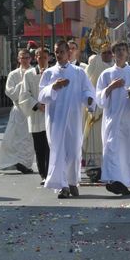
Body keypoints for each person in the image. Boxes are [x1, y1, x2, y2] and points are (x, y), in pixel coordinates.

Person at [38, 40, 95, 199]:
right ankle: (63, 186)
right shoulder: (49, 73)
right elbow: (41, 95)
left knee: (74, 152)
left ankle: (72, 181)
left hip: (73, 118)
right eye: (56, 52)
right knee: (59, 152)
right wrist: (54, 87)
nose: (58, 55)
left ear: (68, 53)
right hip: (56, 119)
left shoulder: (78, 72)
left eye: (61, 51)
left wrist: (89, 100)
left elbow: (87, 91)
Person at [96, 41, 130, 195]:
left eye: (123, 50)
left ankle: (124, 180)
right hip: (112, 119)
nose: (120, 52)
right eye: (117, 50)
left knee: (126, 150)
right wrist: (111, 87)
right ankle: (113, 180)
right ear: (113, 53)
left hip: (129, 118)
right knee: (111, 148)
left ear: (128, 53)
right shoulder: (106, 74)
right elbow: (99, 97)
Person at [0, 49, 35, 174]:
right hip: (18, 110)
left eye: (27, 57)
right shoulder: (13, 75)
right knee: (15, 138)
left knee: (29, 139)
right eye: (22, 58)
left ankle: (26, 163)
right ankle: (17, 162)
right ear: (18, 59)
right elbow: (10, 93)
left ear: (31, 59)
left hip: (31, 110)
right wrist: (22, 83)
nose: (24, 60)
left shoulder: (35, 72)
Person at [82, 45, 114, 182]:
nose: (107, 55)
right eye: (104, 52)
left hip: (111, 109)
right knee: (94, 139)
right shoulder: (96, 63)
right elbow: (87, 79)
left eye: (109, 52)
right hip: (96, 108)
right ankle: (93, 168)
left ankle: (109, 167)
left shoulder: (115, 66)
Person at [19, 47, 51, 184]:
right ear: (35, 58)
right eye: (38, 56)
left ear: (48, 58)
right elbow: (24, 94)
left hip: (51, 115)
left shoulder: (53, 72)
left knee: (51, 146)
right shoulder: (29, 74)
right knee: (40, 148)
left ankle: (51, 173)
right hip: (37, 115)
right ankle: (43, 174)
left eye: (44, 57)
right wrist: (37, 105)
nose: (41, 59)